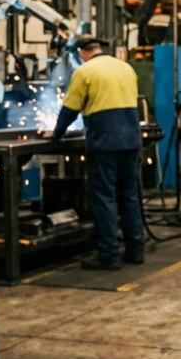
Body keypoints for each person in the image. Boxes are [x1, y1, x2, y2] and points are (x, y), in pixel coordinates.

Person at [51, 34, 143, 270]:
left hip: (105, 145)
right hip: (132, 142)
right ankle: (135, 251)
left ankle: (109, 256)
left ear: (82, 53)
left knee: (104, 199)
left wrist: (56, 135)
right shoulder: (126, 68)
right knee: (129, 196)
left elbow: (70, 109)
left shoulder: (84, 72)